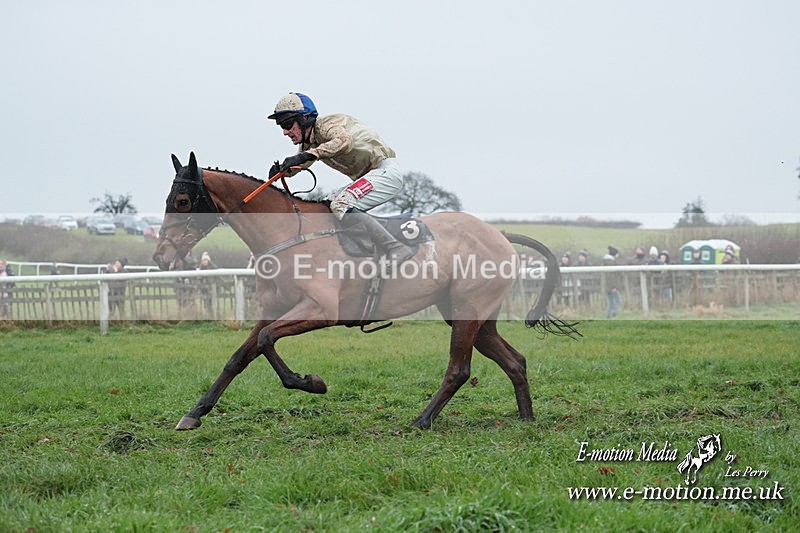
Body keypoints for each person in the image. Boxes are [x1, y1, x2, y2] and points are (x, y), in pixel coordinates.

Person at [267, 92, 415, 263]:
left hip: (386, 172)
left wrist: (308, 155)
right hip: (370, 177)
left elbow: (344, 141)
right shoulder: (309, 142)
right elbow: (300, 163)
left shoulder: (326, 124)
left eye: (287, 124)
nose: (285, 132)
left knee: (340, 204)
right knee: (324, 207)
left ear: (305, 118)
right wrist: (282, 170)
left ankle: (396, 248)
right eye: (281, 126)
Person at [603, 246, 623, 318]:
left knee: (610, 302)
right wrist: (613, 287)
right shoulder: (611, 262)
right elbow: (611, 276)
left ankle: (609, 316)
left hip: (608, 286)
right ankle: (612, 315)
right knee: (618, 302)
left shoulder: (607, 261)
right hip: (611, 286)